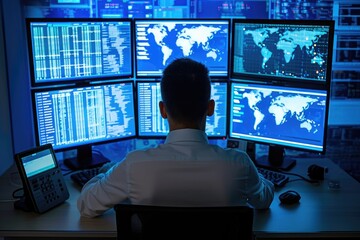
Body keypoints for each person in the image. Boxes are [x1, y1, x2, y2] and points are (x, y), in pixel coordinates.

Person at [77, 58, 274, 218]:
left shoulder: (134, 165)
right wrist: (255, 174)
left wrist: (108, 172)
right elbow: (265, 200)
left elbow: (86, 205)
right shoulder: (239, 163)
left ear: (162, 110)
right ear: (211, 108)